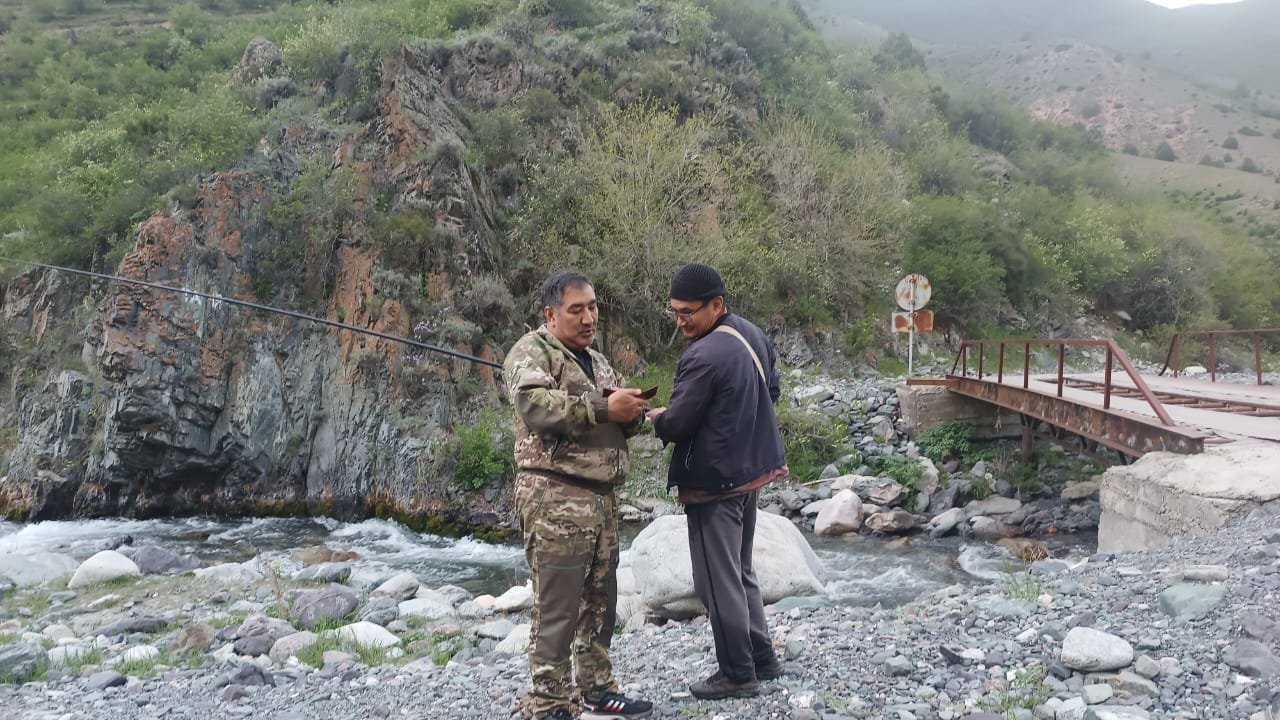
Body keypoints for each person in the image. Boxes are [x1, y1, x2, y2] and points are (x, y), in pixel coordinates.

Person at [503, 270, 655, 720]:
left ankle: (597, 689)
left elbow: (614, 416)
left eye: (593, 307)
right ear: (551, 314)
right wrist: (606, 406)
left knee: (600, 601)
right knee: (557, 606)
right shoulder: (531, 352)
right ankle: (548, 701)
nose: (589, 317)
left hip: (602, 499)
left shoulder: (597, 359)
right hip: (554, 497)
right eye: (577, 309)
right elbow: (534, 406)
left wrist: (631, 412)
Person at [645, 263, 787, 700]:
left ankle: (737, 674)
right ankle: (762, 657)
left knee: (714, 580)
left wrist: (654, 417)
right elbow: (773, 391)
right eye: (675, 312)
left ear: (716, 305)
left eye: (688, 312)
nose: (680, 321)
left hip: (715, 483)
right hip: (751, 473)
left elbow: (678, 424)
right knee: (740, 570)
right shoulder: (751, 334)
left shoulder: (703, 355)